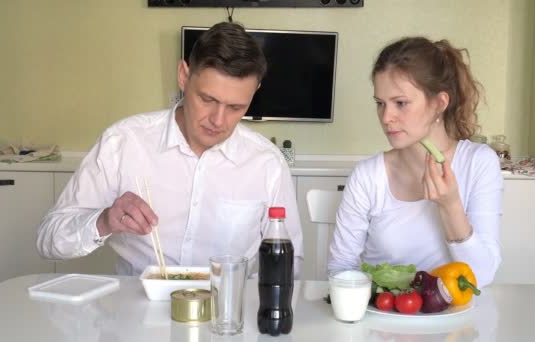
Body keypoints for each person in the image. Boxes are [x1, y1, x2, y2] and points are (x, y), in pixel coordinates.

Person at [37, 22, 303, 277]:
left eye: (236, 107)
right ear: (183, 76)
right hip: (137, 311)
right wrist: (103, 220)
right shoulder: (123, 142)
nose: (218, 120)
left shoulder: (267, 163)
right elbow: (49, 240)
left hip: (226, 314)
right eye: (207, 99)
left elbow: (291, 261)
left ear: (254, 93)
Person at [327, 37, 503, 288]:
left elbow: (482, 278)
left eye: (401, 103)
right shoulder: (367, 176)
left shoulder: (479, 163)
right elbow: (341, 268)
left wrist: (450, 206)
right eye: (380, 104)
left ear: (439, 103)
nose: (387, 117)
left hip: (455, 324)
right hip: (381, 319)